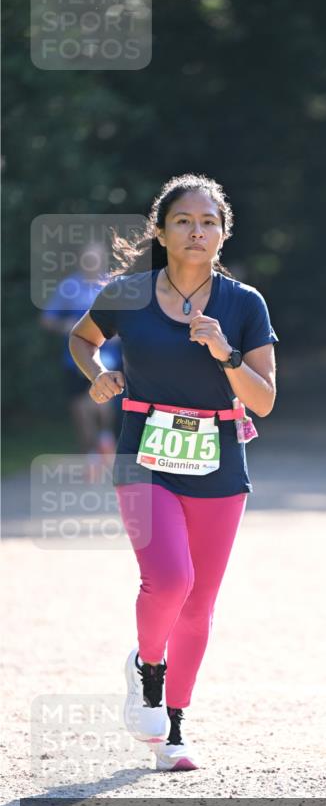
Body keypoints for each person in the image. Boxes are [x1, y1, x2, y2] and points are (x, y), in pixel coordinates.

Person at [68, 174, 279, 771]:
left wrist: (227, 355)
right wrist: (98, 374)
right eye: (183, 221)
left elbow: (262, 400)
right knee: (169, 578)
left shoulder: (244, 304)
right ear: (160, 231)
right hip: (144, 457)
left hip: (217, 460)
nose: (196, 231)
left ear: (223, 233)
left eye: (208, 222)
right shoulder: (127, 293)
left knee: (199, 603)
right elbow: (83, 340)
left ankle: (175, 730)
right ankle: (148, 669)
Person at [41, 241, 122, 473]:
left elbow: (128, 320)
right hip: (74, 358)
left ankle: (104, 438)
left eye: (96, 258)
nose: (92, 263)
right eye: (88, 258)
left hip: (107, 357)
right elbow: (47, 319)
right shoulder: (69, 287)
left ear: (103, 260)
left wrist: (119, 333)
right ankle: (93, 451)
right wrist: (65, 325)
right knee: (80, 407)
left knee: (102, 400)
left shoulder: (113, 285)